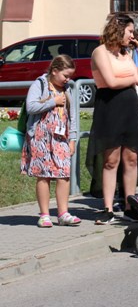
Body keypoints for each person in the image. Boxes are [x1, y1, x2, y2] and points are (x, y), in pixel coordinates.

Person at [87, 13, 138, 224]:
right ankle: (108, 208)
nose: (132, 36)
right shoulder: (100, 52)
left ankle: (130, 205)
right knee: (111, 159)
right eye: (130, 31)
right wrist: (131, 79)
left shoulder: (126, 54)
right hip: (110, 106)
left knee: (131, 157)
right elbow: (111, 82)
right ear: (119, 30)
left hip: (130, 107)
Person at [21, 55, 81, 228]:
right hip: (40, 137)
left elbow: (73, 115)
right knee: (43, 175)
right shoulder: (39, 84)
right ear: (54, 71)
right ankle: (45, 214)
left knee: (64, 174)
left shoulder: (67, 88)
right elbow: (31, 106)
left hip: (60, 137)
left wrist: (72, 138)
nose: (68, 79)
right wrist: (52, 101)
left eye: (70, 76)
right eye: (65, 75)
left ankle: (63, 213)